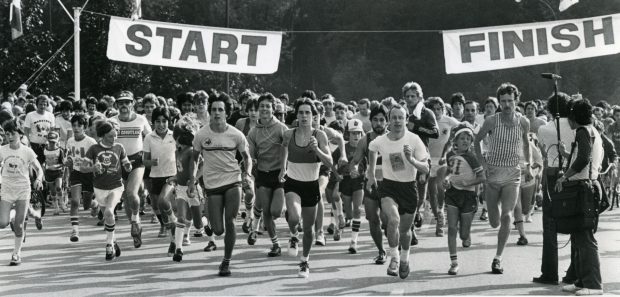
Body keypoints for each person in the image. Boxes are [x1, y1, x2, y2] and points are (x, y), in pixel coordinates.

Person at [189, 93, 252, 277]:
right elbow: (194, 160)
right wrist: (192, 180)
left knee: (230, 221)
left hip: (233, 181)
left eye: (220, 110)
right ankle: (212, 227)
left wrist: (247, 174)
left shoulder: (236, 134)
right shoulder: (201, 134)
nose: (217, 113)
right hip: (212, 184)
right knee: (218, 229)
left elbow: (247, 158)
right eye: (214, 109)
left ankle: (226, 262)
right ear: (210, 112)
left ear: (226, 113)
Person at [367, 104, 429, 279]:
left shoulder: (414, 139)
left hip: (409, 188)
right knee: (392, 220)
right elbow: (371, 148)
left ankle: (404, 259)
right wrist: (371, 174)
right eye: (393, 117)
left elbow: (425, 167)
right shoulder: (381, 140)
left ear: (406, 120)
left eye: (400, 117)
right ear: (388, 121)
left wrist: (411, 159)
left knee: (404, 231)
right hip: (388, 187)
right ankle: (394, 258)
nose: (397, 121)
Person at [474, 82, 531, 274]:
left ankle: (498, 258)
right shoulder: (491, 121)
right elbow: (477, 140)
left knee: (507, 216)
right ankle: (492, 213)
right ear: (499, 102)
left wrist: (528, 165)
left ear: (516, 101)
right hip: (493, 173)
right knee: (494, 222)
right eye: (503, 101)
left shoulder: (523, 122)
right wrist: (483, 163)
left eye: (510, 101)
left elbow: (526, 144)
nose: (507, 104)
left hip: (513, 173)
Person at [279, 98, 333, 278]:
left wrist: (317, 150)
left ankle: (304, 261)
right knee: (293, 216)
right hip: (293, 182)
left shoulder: (319, 136)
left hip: (311, 184)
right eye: (301, 112)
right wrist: (282, 168)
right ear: (296, 114)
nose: (304, 116)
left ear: (313, 116)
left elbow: (330, 163)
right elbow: (284, 149)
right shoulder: (289, 134)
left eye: (307, 113)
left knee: (309, 230)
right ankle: (294, 235)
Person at [557, 99, 604, 296]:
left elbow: (584, 158)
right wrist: (567, 153)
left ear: (573, 116)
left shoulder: (583, 131)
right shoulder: (593, 132)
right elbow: (586, 158)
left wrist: (564, 177)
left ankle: (593, 285)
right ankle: (580, 280)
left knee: (584, 237)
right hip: (589, 185)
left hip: (583, 189)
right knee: (578, 235)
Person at [533, 92, 575, 285]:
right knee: (576, 222)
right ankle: (574, 271)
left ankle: (550, 273)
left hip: (551, 174)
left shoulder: (544, 128)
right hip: (572, 175)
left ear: (550, 109)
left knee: (549, 225)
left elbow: (543, 150)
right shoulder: (576, 127)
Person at [82, 120, 131, 260]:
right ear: (102, 136)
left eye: (115, 135)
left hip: (115, 186)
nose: (113, 139)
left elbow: (126, 163)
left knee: (109, 212)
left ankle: (109, 245)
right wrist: (93, 168)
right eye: (110, 136)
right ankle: (113, 241)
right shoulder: (94, 149)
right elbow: (83, 167)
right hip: (99, 188)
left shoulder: (119, 147)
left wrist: (128, 167)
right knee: (107, 217)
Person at [246, 93, 288, 256]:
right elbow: (250, 152)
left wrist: (285, 167)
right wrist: (252, 160)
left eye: (267, 106)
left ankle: (258, 219)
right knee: (267, 213)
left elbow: (288, 149)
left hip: (279, 174)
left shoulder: (281, 128)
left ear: (273, 109)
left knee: (276, 211)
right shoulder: (253, 131)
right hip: (262, 174)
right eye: (261, 106)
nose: (264, 109)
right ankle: (275, 244)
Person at [111, 90, 152, 249]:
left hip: (137, 161)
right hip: (118, 162)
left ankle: (135, 220)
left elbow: (150, 137)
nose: (124, 106)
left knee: (131, 192)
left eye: (127, 102)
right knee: (127, 199)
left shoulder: (141, 119)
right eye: (121, 103)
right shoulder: (112, 120)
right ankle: (135, 226)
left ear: (132, 104)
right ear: (116, 105)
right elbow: (102, 139)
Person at [0, 120, 44, 265]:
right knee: (2, 223)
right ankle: (32, 213)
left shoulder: (27, 151)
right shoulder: (2, 150)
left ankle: (16, 253)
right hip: (7, 189)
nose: (10, 136)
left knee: (19, 226)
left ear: (19, 134)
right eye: (7, 134)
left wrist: (38, 178)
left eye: (13, 133)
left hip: (23, 189)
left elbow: (39, 169)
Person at [350, 104, 390, 264]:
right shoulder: (364, 140)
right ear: (371, 121)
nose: (378, 123)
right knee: (373, 219)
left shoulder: (394, 138)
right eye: (375, 120)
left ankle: (395, 238)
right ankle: (381, 251)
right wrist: (353, 169)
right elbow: (355, 161)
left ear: (387, 121)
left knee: (388, 221)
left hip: (390, 185)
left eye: (382, 120)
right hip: (371, 184)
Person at [443, 124, 485, 275]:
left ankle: (467, 234)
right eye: (462, 138)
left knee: (463, 235)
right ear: (456, 141)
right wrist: (447, 179)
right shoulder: (451, 156)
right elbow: (449, 171)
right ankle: (454, 263)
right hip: (453, 194)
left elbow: (482, 177)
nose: (465, 141)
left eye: (468, 138)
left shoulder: (472, 158)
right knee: (452, 228)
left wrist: (469, 182)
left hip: (468, 197)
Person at [403, 82, 438, 243]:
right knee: (406, 191)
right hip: (403, 155)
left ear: (419, 97)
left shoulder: (426, 112)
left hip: (422, 156)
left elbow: (435, 132)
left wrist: (416, 126)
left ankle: (416, 211)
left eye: (413, 96)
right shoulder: (400, 112)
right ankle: (410, 229)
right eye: (407, 96)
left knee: (420, 192)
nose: (410, 99)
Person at [426, 97, 459, 237]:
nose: (437, 111)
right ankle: (437, 216)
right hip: (427, 160)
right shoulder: (426, 120)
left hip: (441, 160)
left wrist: (452, 144)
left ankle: (440, 212)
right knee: (431, 192)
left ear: (443, 109)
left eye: (439, 109)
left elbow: (463, 126)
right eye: (434, 109)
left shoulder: (449, 121)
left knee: (440, 187)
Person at [143, 107, 177, 238]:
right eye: (158, 121)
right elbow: (144, 161)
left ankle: (174, 221)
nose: (161, 124)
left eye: (164, 121)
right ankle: (164, 225)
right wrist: (152, 162)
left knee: (164, 200)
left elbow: (181, 153)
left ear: (169, 121)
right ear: (153, 122)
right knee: (159, 204)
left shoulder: (174, 135)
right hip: (155, 175)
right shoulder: (149, 137)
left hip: (172, 174)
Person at [64, 114, 98, 241]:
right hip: (76, 173)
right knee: (75, 201)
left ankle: (95, 205)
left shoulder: (91, 142)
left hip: (88, 173)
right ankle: (75, 231)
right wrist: (68, 162)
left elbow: (96, 159)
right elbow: (69, 156)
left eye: (79, 125)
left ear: (85, 127)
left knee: (87, 205)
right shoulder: (70, 141)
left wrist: (95, 169)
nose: (76, 128)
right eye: (74, 125)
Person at [23, 95, 55, 166]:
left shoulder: (51, 116)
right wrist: (28, 144)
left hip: (46, 145)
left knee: (46, 166)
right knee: (34, 166)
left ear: (47, 105)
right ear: (37, 104)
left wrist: (51, 144)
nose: (42, 106)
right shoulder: (30, 115)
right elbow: (26, 131)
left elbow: (52, 131)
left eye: (45, 104)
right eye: (40, 104)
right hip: (34, 144)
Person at [43, 131, 65, 216]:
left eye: (54, 142)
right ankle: (56, 207)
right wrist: (45, 167)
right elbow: (42, 161)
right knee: (52, 191)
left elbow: (62, 163)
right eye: (50, 141)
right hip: (48, 173)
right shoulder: (44, 149)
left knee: (58, 187)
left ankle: (62, 202)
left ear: (57, 141)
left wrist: (55, 166)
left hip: (58, 172)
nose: (52, 143)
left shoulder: (60, 150)